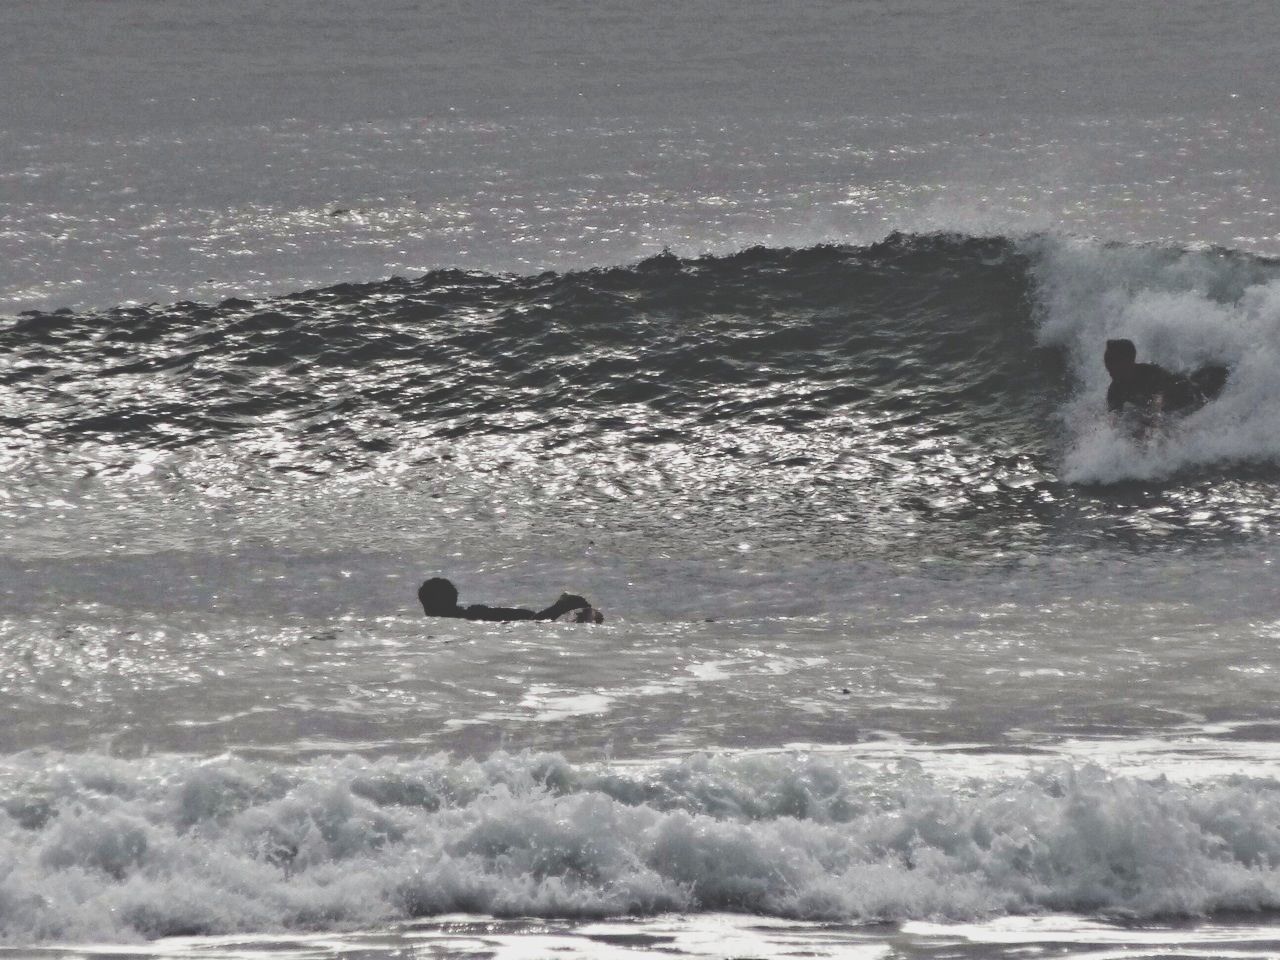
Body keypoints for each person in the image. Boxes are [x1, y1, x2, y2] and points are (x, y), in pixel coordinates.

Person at [1104, 338, 1227, 417]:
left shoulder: (1149, 373)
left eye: (1112, 361)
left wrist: (1150, 432)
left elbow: (1158, 404)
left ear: (1128, 361)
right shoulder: (1115, 389)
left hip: (1194, 392)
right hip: (1173, 407)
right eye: (1107, 360)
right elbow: (1113, 420)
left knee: (1221, 378)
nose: (1107, 365)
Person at [418, 577, 604, 623]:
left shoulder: (471, 616)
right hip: (505, 618)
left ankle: (564, 605)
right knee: (537, 620)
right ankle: (564, 606)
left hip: (492, 619)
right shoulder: (470, 614)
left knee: (538, 621)